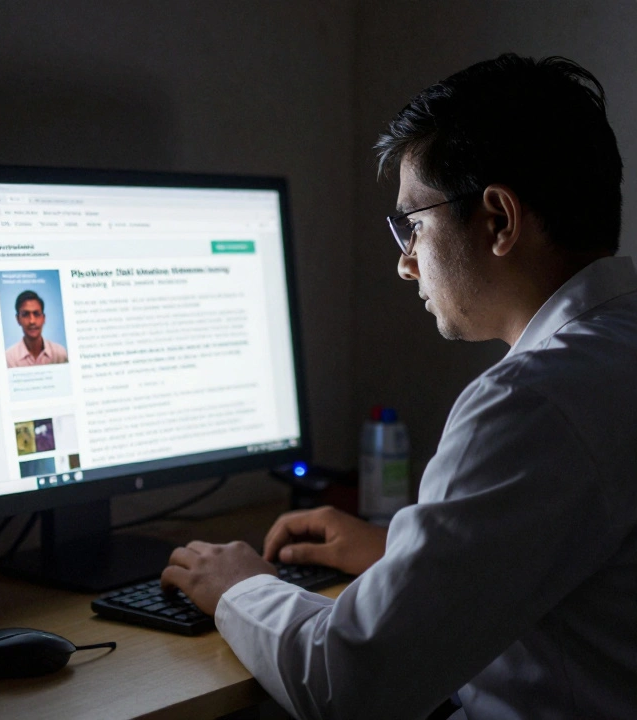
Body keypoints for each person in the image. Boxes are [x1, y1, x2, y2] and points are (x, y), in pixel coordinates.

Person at [160, 54, 637, 719]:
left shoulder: (530, 403)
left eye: (414, 224)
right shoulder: (614, 350)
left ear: (498, 220)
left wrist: (241, 587)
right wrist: (398, 556)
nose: (405, 265)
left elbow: (349, 685)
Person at [5, 290, 68, 367]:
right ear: (18, 319)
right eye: (25, 314)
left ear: (44, 318)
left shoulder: (60, 354)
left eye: (36, 314)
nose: (32, 321)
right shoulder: (9, 358)